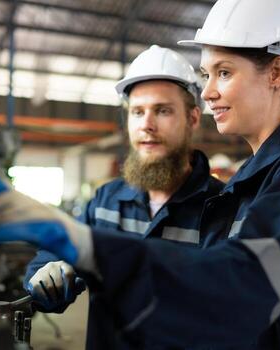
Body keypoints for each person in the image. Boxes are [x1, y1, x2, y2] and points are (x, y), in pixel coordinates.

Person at [0, 0, 280, 348]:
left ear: (277, 72)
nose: (209, 92)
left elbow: (245, 284)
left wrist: (90, 247)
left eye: (224, 72)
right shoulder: (254, 178)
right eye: (206, 74)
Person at [23, 45, 225, 348]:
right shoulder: (106, 201)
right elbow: (53, 261)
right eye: (137, 112)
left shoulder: (222, 209)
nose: (147, 124)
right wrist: (46, 277)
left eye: (163, 110)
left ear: (193, 119)